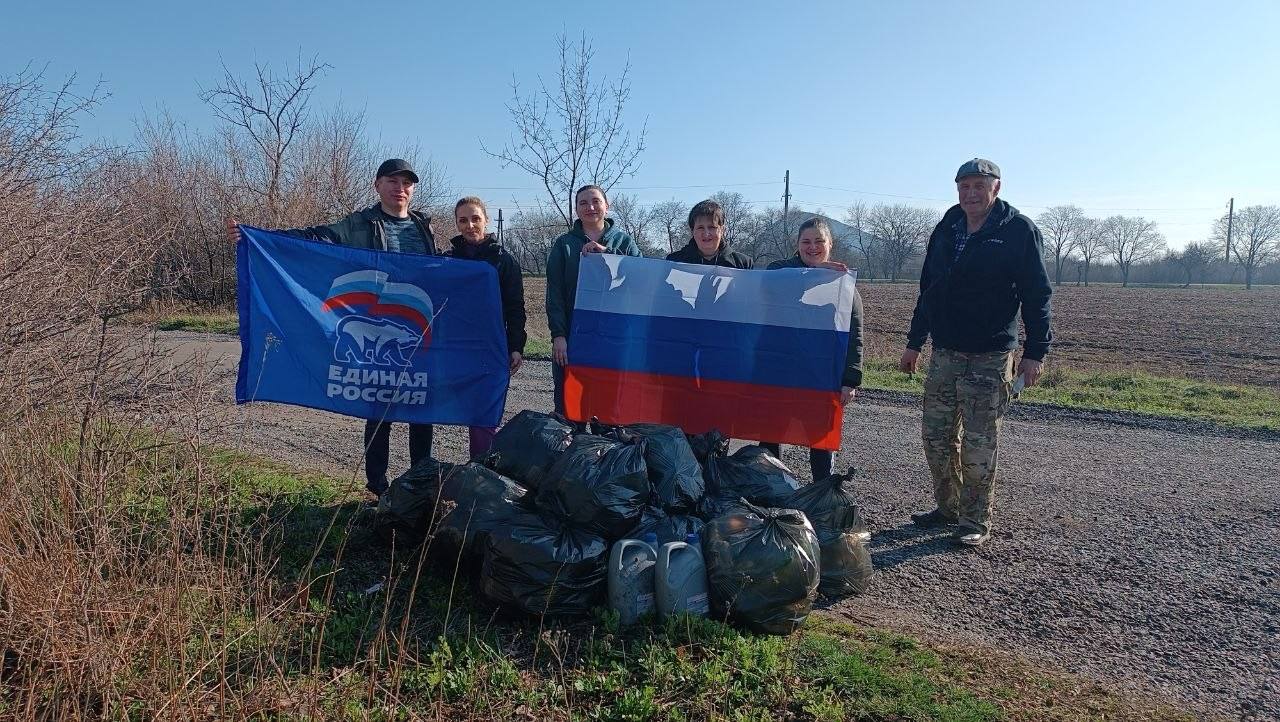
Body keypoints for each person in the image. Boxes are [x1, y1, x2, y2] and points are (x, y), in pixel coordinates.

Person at [226, 158, 438, 496]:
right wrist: (257, 238)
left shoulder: (422, 227)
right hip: (374, 323)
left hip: (415, 327)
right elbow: (315, 238)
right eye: (392, 182)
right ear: (378, 186)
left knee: (421, 404)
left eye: (406, 183)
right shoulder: (359, 224)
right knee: (380, 408)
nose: (400, 188)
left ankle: (420, 484)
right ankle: (377, 487)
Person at [899, 158, 1052, 547]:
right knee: (935, 436)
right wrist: (914, 343)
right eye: (964, 186)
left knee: (979, 442)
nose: (970, 194)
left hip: (990, 354)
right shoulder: (947, 228)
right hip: (946, 351)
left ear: (996, 188)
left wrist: (1035, 353)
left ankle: (974, 520)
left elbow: (1037, 295)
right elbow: (929, 290)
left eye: (979, 186)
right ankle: (947, 508)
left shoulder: (1018, 231)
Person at [760, 217, 863, 481]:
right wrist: (815, 274)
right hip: (780, 371)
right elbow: (768, 282)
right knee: (771, 432)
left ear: (830, 244)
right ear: (797, 245)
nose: (813, 247)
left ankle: (821, 491)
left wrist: (850, 379)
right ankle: (772, 489)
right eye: (806, 241)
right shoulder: (781, 272)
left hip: (822, 373)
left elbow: (855, 333)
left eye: (819, 241)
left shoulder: (843, 285)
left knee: (819, 437)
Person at [545, 184, 642, 415]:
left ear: (606, 206)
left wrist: (609, 255)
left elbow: (640, 278)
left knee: (610, 411)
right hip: (573, 338)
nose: (590, 207)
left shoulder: (624, 242)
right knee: (570, 409)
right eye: (583, 203)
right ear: (576, 210)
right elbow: (554, 293)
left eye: (596, 201)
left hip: (613, 339)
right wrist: (559, 335)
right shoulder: (564, 244)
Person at [446, 195, 527, 458]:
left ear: (486, 220)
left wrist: (516, 346)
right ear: (457, 224)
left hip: (491, 347)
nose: (470, 225)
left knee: (484, 414)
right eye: (463, 220)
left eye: (475, 219)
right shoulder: (447, 260)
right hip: (455, 347)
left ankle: (480, 472)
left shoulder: (504, 261)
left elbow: (515, 307)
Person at [665, 199, 754, 269]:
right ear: (692, 231)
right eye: (700, 228)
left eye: (712, 227)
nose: (706, 233)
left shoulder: (743, 264)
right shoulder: (674, 262)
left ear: (722, 229)